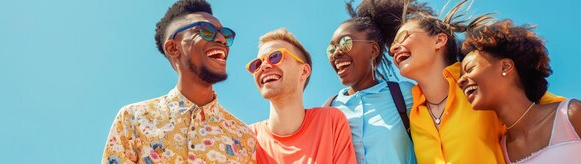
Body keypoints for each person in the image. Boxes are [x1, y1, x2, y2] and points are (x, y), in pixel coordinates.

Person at [388, 0, 565, 163]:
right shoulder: (414, 114)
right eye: (393, 44)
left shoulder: (481, 85)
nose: (393, 49)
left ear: (439, 40)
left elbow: (552, 111)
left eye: (404, 36)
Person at [101, 0, 256, 163]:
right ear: (173, 48)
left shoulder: (244, 137)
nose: (222, 39)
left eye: (225, 34)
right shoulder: (133, 119)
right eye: (206, 30)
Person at [458, 19, 581, 163]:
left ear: (505, 66)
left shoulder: (570, 114)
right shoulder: (502, 153)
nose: (460, 81)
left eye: (470, 69)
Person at [323, 0, 423, 163]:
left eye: (345, 42)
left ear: (373, 50)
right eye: (331, 49)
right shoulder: (328, 109)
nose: (336, 53)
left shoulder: (405, 94)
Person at [246, 28, 356, 163]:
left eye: (275, 56)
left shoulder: (330, 122)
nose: (264, 66)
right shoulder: (246, 138)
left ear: (303, 71)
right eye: (256, 64)